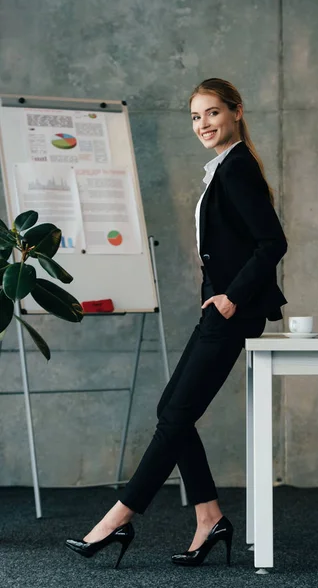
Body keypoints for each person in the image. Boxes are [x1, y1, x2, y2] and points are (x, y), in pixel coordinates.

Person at [65, 78, 288, 568]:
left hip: (233, 312)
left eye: (211, 113)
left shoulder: (237, 169)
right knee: (173, 410)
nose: (203, 124)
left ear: (236, 111)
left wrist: (231, 297)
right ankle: (209, 518)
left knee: (175, 413)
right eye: (195, 117)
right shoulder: (224, 168)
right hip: (221, 308)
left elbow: (273, 243)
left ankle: (118, 517)